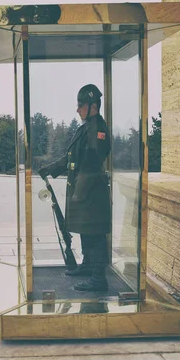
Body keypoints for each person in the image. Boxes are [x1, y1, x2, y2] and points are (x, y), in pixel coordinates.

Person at [38, 84, 111, 292]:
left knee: (95, 234)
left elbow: (91, 163)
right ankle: (88, 266)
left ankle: (98, 279)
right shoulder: (87, 127)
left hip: (91, 195)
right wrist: (49, 169)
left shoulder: (97, 130)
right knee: (87, 231)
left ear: (93, 106)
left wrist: (79, 192)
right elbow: (72, 158)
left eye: (80, 105)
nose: (77, 109)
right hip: (85, 194)